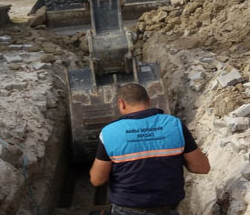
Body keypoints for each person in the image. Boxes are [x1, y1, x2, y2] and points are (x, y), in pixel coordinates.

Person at [89, 83, 210, 215]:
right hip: (167, 210)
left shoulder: (109, 132)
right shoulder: (174, 125)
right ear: (148, 101)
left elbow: (97, 179)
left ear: (121, 103)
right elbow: (202, 168)